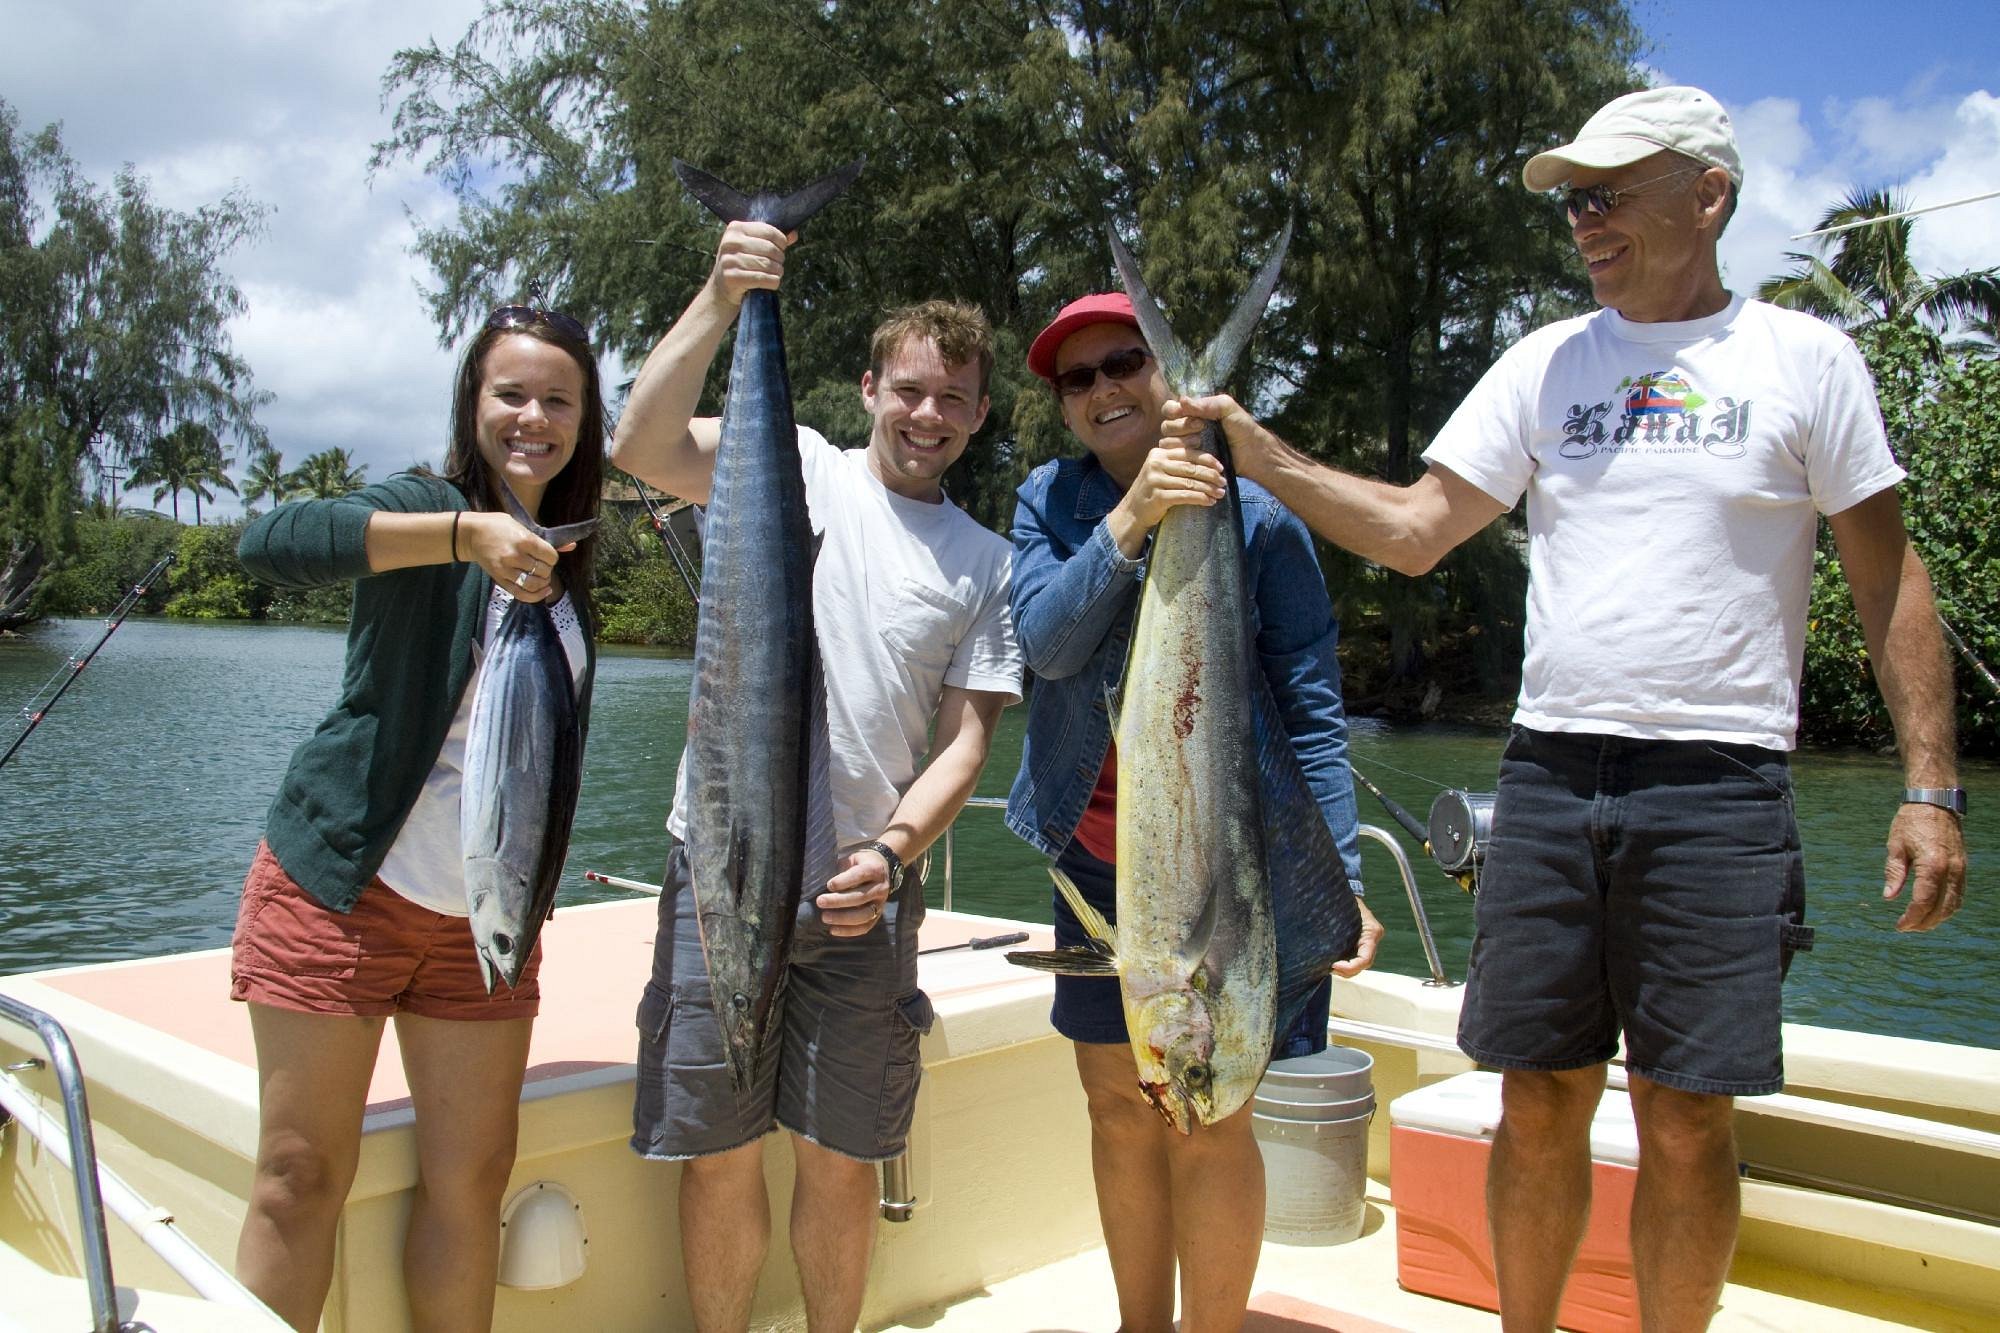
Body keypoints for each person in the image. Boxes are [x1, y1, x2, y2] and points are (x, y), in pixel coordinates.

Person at [1168, 86, 1969, 1331]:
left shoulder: (1804, 361)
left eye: (1608, 194)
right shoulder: (1544, 363)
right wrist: (1249, 448)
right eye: (1572, 202)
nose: (1582, 221)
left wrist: (1926, 787)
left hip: (1720, 784)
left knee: (1685, 1111)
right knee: (1532, 1096)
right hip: (1545, 778)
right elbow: (1416, 532)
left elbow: (1887, 579)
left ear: (1706, 195)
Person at [611, 220, 1023, 1333]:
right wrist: (721, 292)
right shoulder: (790, 460)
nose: (926, 415)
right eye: (908, 390)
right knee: (717, 1153)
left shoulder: (987, 564)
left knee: (837, 1159)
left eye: (952, 399)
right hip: (720, 868)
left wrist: (892, 856)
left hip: (860, 891)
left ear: (979, 414)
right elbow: (638, 446)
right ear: (867, 389)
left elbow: (966, 745)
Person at [1004, 290, 1386, 1332]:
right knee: (1117, 1111)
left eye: (1124, 361)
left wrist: (1344, 877)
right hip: (1097, 869)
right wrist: (1133, 518)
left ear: (1173, 382)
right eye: (1074, 379)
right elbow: (1042, 646)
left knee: (1210, 1113)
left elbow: (1311, 711)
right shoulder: (1048, 499)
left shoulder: (1260, 519)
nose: (1101, 389)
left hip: (1230, 876)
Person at [230, 304, 606, 1331]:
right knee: (299, 1174)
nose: (532, 415)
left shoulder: (572, 567)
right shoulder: (425, 505)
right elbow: (269, 544)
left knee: (472, 1181)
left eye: (557, 399)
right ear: (471, 403)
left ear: (584, 420)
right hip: (342, 893)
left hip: (480, 923)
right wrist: (460, 533)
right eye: (510, 393)